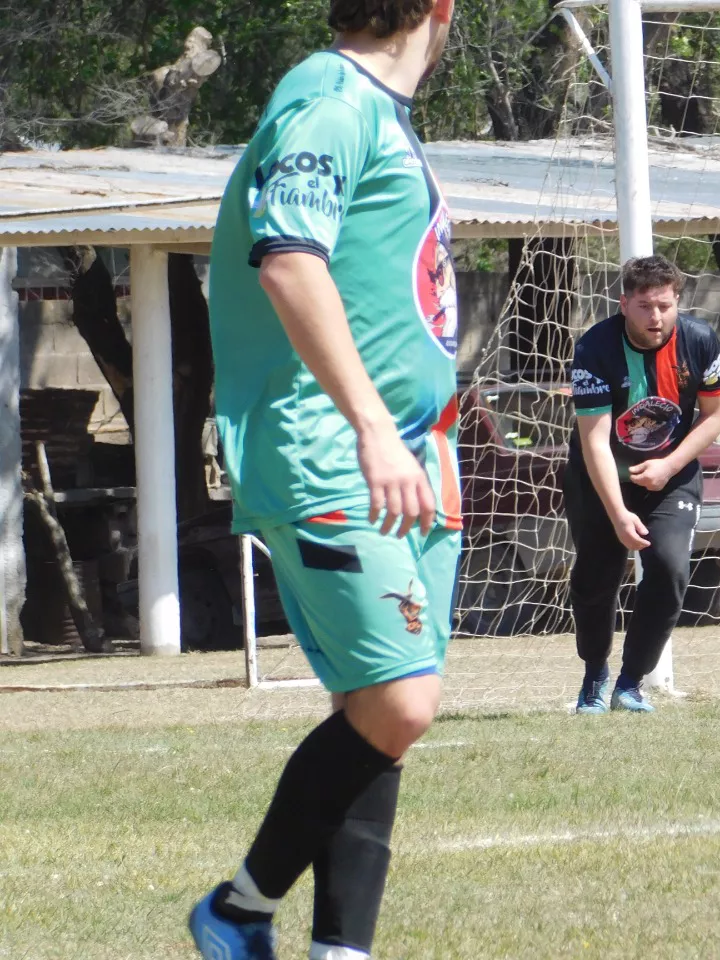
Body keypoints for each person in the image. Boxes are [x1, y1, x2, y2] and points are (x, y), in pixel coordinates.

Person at [190, 2, 459, 958]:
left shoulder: (378, 112)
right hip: (334, 450)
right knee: (400, 699)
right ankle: (236, 910)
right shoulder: (329, 99)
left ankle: (332, 948)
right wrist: (375, 427)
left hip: (412, 455)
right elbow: (289, 263)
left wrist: (424, 428)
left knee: (379, 711)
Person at [565, 255, 720, 714]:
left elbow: (716, 415)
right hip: (599, 478)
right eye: (644, 305)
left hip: (670, 476)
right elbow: (595, 439)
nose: (655, 316)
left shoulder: (700, 341)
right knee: (596, 577)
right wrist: (618, 513)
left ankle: (630, 683)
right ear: (624, 304)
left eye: (664, 304)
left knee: (671, 567)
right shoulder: (595, 347)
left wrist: (669, 465)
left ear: (676, 301)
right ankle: (594, 673)